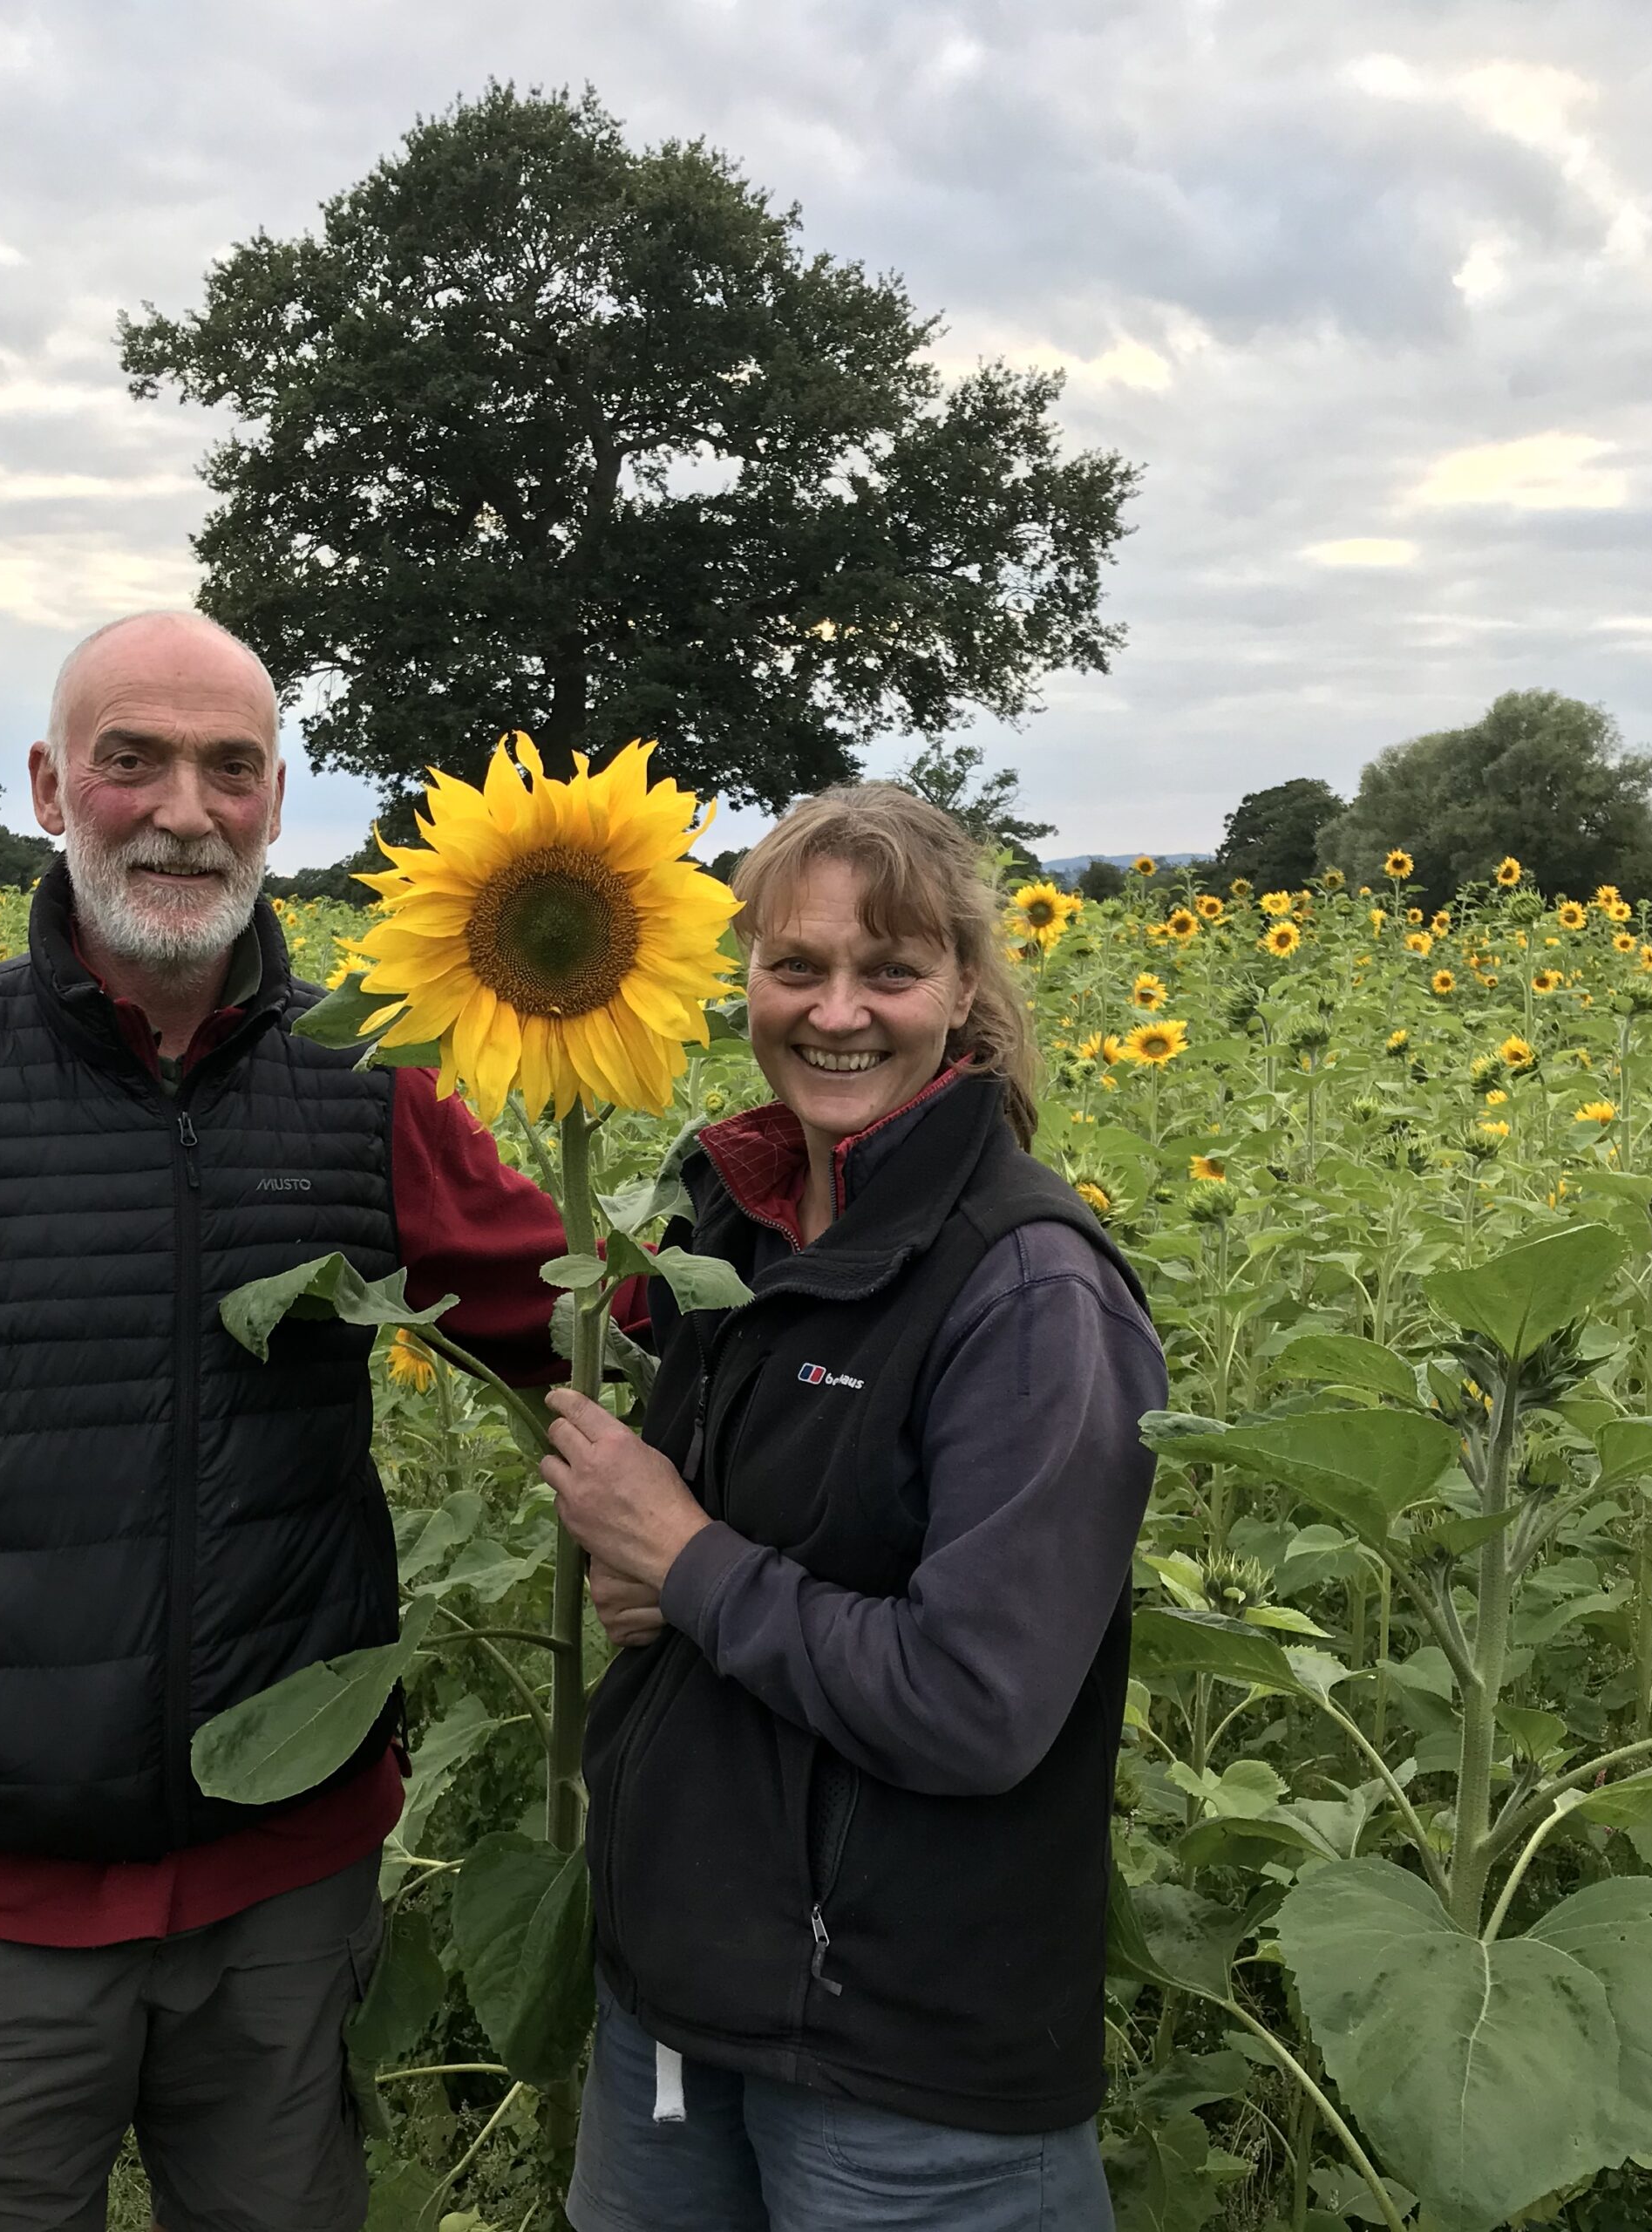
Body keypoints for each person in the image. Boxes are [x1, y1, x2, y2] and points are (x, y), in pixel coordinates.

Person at [0, 610, 615, 2232]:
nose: (184, 809)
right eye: (134, 760)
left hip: (282, 1891)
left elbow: (575, 1328)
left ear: (275, 802)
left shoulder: (366, 1077)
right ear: (51, 786)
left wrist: (841, 1228)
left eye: (230, 767)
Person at [540, 784, 1165, 2230]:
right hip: (675, 2002)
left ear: (963, 992)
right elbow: (676, 1573)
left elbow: (974, 1698)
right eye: (796, 965)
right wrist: (667, 1570)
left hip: (902, 2049)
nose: (838, 1011)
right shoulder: (722, 1226)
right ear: (742, 974)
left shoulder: (1028, 1286)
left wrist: (687, 1563)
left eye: (889, 971)